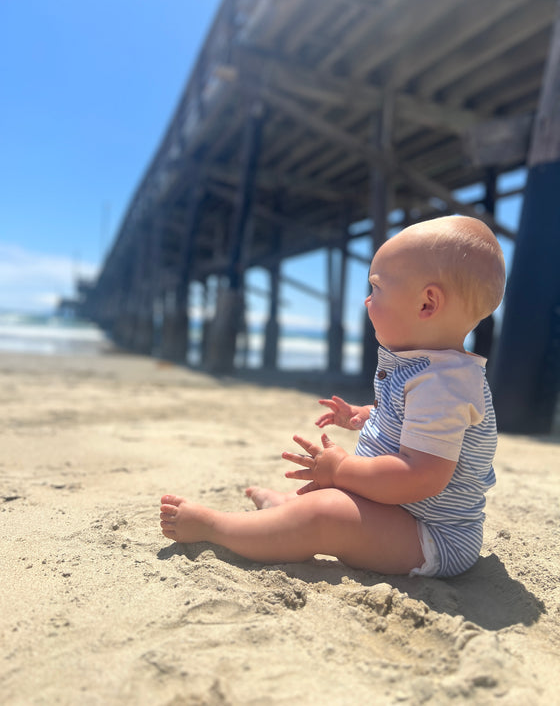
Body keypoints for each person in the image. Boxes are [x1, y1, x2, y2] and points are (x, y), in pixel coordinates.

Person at [160, 215, 506, 577]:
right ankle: (283, 509)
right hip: (401, 511)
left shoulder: (443, 384)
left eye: (377, 289)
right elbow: (413, 422)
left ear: (426, 304)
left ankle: (216, 528)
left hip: (433, 538)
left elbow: (421, 475)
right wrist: (366, 415)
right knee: (321, 498)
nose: (367, 300)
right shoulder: (424, 369)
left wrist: (342, 469)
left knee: (325, 514)